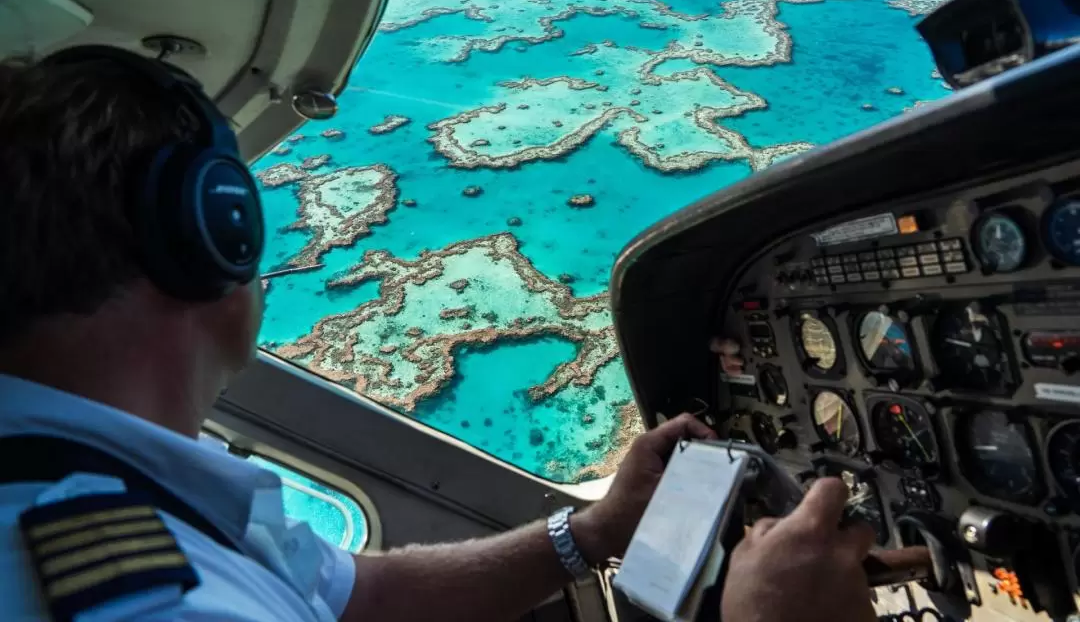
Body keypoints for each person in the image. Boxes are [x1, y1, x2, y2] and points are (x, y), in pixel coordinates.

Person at [0, 49, 881, 621]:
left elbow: (361, 596)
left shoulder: (113, 497)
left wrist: (598, 530)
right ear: (210, 232)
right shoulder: (146, 603)